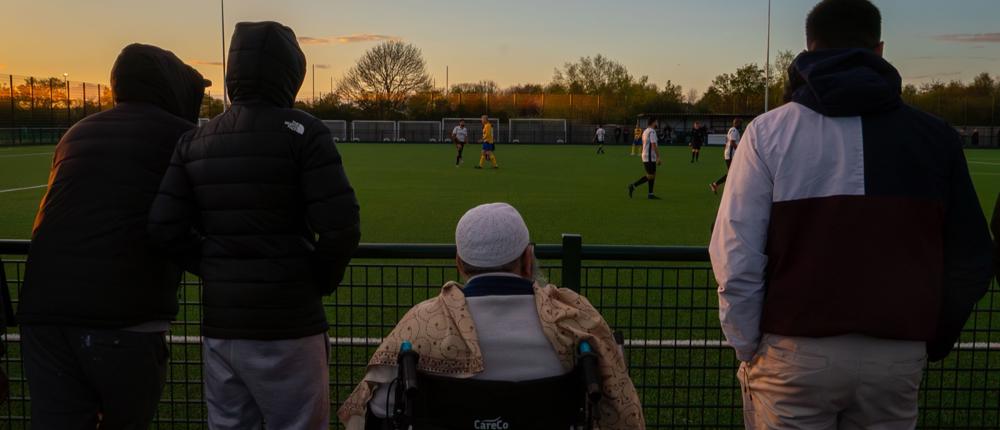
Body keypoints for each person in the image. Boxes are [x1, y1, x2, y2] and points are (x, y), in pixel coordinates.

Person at [709, 1, 993, 429]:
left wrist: (748, 346)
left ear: (809, 46)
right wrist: (929, 339)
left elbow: (735, 255)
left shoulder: (767, 132)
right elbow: (971, 259)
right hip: (896, 354)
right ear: (879, 50)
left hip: (793, 351)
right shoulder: (937, 137)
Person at [148, 21, 361, 429]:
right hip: (290, 324)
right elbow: (342, 226)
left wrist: (215, 266)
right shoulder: (305, 132)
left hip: (223, 327)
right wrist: (316, 280)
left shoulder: (195, 140)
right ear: (291, 72)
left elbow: (163, 226)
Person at [18, 44, 207, 429]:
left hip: (43, 314)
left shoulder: (77, 132)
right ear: (171, 87)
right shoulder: (183, 136)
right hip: (124, 315)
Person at [337, 203, 645, 430]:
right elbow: (618, 407)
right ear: (528, 260)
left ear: (459, 264)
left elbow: (377, 411)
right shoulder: (574, 324)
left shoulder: (419, 326)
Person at [628, 119, 661, 200]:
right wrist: (658, 157)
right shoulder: (652, 132)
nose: (657, 123)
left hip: (646, 155)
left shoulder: (645, 131)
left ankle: (650, 194)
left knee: (653, 175)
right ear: (653, 122)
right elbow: (653, 145)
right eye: (656, 122)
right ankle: (633, 185)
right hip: (649, 156)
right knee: (650, 175)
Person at [709, 118, 742, 194]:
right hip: (731, 155)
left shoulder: (731, 130)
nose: (740, 125)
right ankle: (717, 185)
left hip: (729, 154)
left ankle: (716, 184)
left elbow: (727, 142)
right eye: (740, 123)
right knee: (732, 173)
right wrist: (739, 151)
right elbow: (732, 142)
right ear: (736, 123)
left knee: (733, 172)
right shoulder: (734, 130)